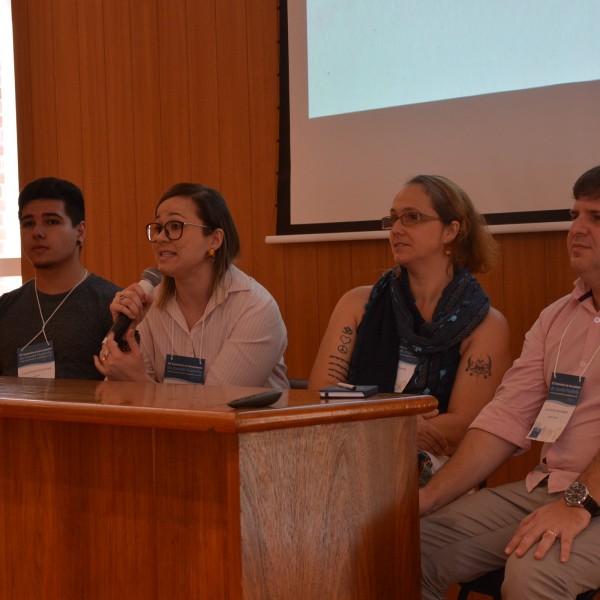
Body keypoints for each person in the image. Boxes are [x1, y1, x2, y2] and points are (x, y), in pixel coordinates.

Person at [420, 165, 600, 600]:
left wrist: (578, 504)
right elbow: (505, 417)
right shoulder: (556, 317)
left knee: (532, 574)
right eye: (574, 215)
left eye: (596, 218)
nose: (576, 229)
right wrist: (428, 499)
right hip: (552, 487)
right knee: (412, 542)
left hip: (584, 500)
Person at [308, 174, 511, 481]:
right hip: (346, 453)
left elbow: (464, 427)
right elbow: (320, 397)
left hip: (439, 472)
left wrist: (373, 419)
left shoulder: (486, 324)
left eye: (412, 217)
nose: (397, 229)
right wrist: (397, 424)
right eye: (392, 220)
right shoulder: (356, 305)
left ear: (451, 231)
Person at [94, 182, 288, 388]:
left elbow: (218, 407)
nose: (160, 237)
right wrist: (126, 337)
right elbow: (120, 395)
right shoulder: (150, 302)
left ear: (214, 239)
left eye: (175, 227)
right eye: (159, 228)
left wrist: (140, 383)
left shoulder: (255, 308)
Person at [0, 177, 120, 380]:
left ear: (80, 232)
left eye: (51, 222)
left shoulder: (112, 305)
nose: (37, 232)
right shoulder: (5, 307)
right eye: (28, 223)